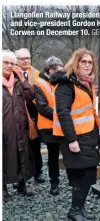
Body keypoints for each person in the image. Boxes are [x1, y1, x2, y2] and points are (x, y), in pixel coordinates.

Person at [51, 48, 100, 221]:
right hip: (75, 139)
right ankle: (74, 211)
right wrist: (72, 140)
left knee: (87, 176)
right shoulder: (66, 85)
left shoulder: (85, 83)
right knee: (81, 177)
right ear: (76, 62)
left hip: (87, 137)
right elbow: (63, 113)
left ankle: (80, 209)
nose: (87, 65)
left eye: (90, 62)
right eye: (83, 61)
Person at [2, 50, 36, 200]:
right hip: (4, 127)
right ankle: (2, 189)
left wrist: (22, 78)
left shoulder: (18, 81)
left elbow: (30, 96)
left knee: (22, 155)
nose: (9, 66)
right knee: (4, 157)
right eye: (6, 62)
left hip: (20, 126)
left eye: (12, 63)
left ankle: (22, 184)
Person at [34, 56, 64, 195]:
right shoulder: (39, 83)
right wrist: (62, 116)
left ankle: (71, 179)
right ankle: (54, 183)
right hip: (49, 126)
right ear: (50, 70)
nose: (62, 73)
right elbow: (42, 107)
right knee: (53, 155)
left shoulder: (62, 81)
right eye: (59, 71)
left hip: (64, 124)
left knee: (68, 152)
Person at [15, 48, 45, 183]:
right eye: (23, 59)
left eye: (28, 58)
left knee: (35, 145)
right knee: (18, 147)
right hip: (17, 114)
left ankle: (38, 172)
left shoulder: (37, 74)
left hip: (34, 114)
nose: (26, 60)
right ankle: (20, 177)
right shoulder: (11, 74)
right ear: (17, 60)